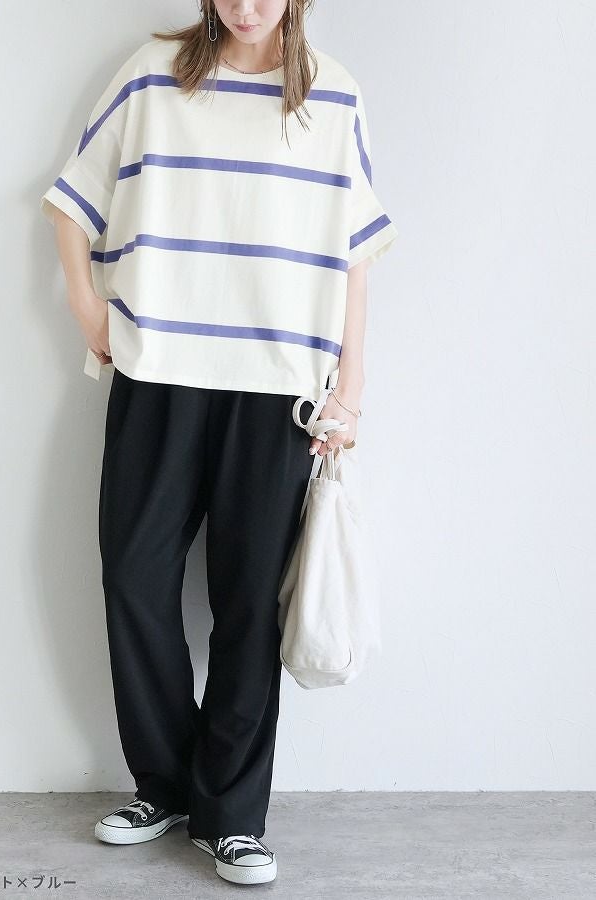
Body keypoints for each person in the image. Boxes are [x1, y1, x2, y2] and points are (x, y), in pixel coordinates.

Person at [40, 0, 397, 886]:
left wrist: (351, 389)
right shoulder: (151, 76)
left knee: (247, 604)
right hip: (157, 368)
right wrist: (89, 311)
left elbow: (355, 257)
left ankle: (232, 816)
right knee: (134, 576)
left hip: (278, 387)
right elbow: (69, 201)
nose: (245, 5)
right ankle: (164, 786)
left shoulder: (334, 95)